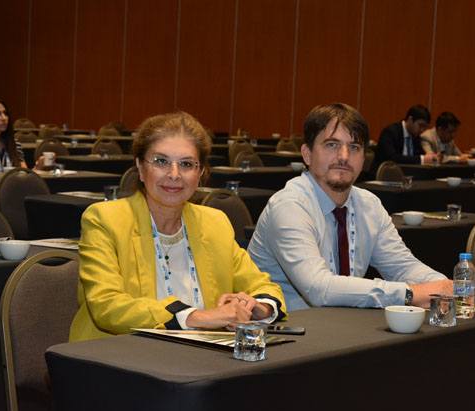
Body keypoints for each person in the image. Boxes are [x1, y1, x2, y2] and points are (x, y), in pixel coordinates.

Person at [69, 112, 286, 342]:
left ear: (200, 173)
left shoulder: (215, 223)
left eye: (186, 164)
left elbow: (265, 287)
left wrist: (257, 307)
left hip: (202, 355)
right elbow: (107, 306)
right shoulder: (105, 219)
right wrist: (197, 317)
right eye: (161, 161)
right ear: (140, 168)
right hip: (118, 353)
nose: (174, 174)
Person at [248, 103, 452, 311]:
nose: (344, 156)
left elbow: (402, 267)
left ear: (363, 159)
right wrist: (409, 294)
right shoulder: (289, 206)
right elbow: (319, 288)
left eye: (354, 147)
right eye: (332, 145)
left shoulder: (369, 204)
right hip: (286, 326)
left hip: (344, 325)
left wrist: (445, 287)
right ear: (307, 154)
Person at [0, 96, 47, 172]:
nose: (4, 118)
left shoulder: (14, 144)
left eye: (5, 113)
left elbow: (24, 175)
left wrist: (38, 167)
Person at [373, 105, 439, 170]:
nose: (422, 130)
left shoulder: (415, 136)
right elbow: (392, 159)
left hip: (408, 173)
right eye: (420, 125)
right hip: (385, 173)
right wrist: (422, 159)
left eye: (424, 127)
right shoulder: (390, 132)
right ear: (410, 120)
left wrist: (432, 158)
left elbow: (421, 155)